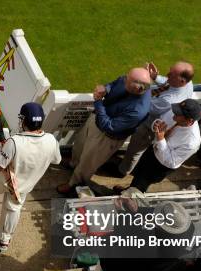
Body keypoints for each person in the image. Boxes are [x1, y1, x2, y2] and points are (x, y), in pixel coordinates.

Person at [0, 103, 61, 251]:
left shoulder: (14, 142)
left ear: (23, 120)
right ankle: (4, 240)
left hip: (4, 181)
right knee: (13, 208)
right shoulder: (51, 140)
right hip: (24, 186)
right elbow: (57, 160)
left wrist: (4, 148)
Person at [68, 200, 191, 271]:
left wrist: (122, 213)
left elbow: (119, 239)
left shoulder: (148, 246)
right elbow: (152, 214)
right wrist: (136, 210)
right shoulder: (186, 233)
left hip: (115, 267)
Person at [57, 67, 152, 195]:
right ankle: (73, 164)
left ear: (139, 88)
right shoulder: (130, 80)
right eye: (126, 77)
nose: (124, 81)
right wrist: (105, 88)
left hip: (106, 138)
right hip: (96, 120)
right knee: (79, 145)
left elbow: (109, 126)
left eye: (127, 81)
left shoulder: (138, 110)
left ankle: (73, 184)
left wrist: (98, 102)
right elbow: (114, 84)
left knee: (87, 164)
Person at [117, 61, 195, 176]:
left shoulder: (169, 100)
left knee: (134, 151)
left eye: (172, 74)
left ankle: (122, 171)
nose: (167, 74)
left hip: (148, 127)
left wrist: (143, 82)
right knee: (136, 150)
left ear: (182, 81)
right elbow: (168, 83)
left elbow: (145, 105)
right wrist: (155, 77)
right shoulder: (187, 83)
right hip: (154, 122)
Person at [124, 99, 201, 192]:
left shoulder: (192, 142)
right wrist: (155, 125)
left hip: (160, 166)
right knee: (138, 172)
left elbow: (171, 161)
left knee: (142, 182)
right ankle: (128, 189)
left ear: (189, 120)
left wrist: (161, 139)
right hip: (152, 150)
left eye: (178, 114)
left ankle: (130, 197)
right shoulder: (175, 114)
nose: (174, 113)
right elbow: (161, 120)